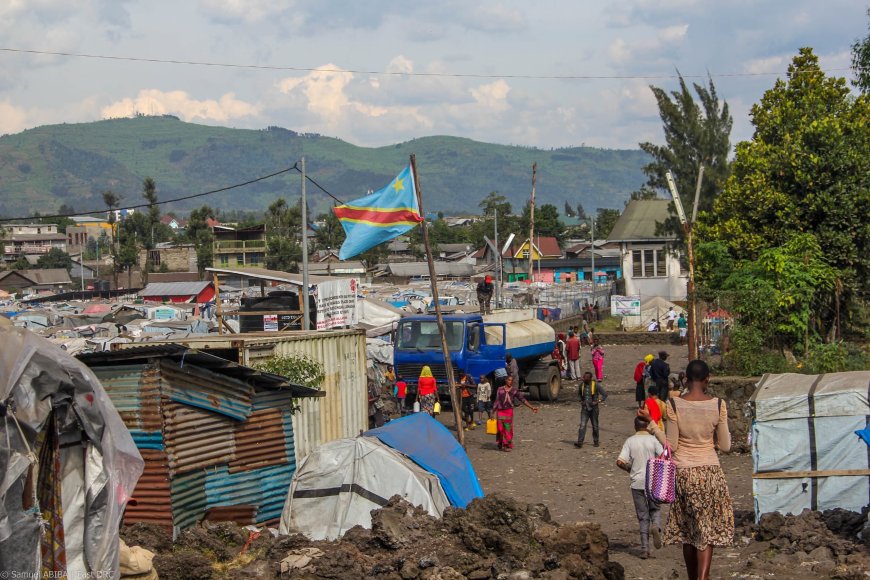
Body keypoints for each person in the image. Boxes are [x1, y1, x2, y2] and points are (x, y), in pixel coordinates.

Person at [639, 359, 733, 580]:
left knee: (688, 532)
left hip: (683, 474)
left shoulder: (674, 405)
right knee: (706, 532)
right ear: (707, 379)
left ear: (686, 380)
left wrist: (652, 424)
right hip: (710, 473)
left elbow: (671, 446)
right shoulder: (718, 405)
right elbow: (726, 446)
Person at [617, 416, 665, 560]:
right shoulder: (653, 440)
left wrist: (629, 469)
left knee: (642, 516)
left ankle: (645, 549)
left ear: (635, 426)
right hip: (653, 481)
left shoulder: (630, 441)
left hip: (637, 482)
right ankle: (656, 525)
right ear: (647, 426)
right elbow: (663, 456)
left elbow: (620, 461)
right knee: (655, 509)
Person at [491, 374, 538, 451]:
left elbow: (522, 399)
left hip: (508, 412)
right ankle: (500, 442)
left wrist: (531, 407)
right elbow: (497, 401)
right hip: (500, 411)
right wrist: (492, 412)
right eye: (509, 380)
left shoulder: (514, 390)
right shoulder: (500, 389)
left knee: (507, 428)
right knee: (500, 429)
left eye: (511, 381)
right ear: (506, 380)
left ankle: (506, 444)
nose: (510, 382)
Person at [574, 371, 607, 448]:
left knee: (595, 426)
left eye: (586, 377)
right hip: (585, 408)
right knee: (582, 425)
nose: (584, 378)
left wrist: (598, 401)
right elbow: (579, 395)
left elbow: (605, 395)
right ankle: (580, 443)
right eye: (584, 377)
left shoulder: (596, 385)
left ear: (590, 378)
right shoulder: (581, 385)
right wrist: (581, 401)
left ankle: (596, 441)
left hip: (594, 409)